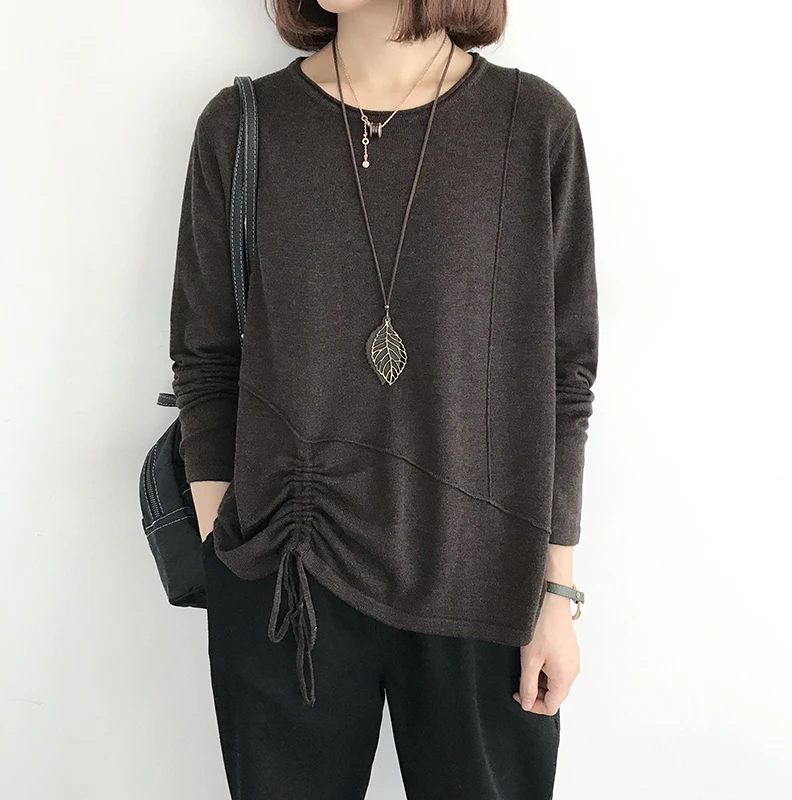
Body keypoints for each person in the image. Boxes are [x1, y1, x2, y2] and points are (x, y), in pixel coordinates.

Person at [168, 0, 598, 797]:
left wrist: (555, 591)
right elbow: (205, 359)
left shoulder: (533, 127)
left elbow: (565, 381)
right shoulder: (243, 125)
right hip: (290, 578)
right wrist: (230, 551)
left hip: (484, 581)